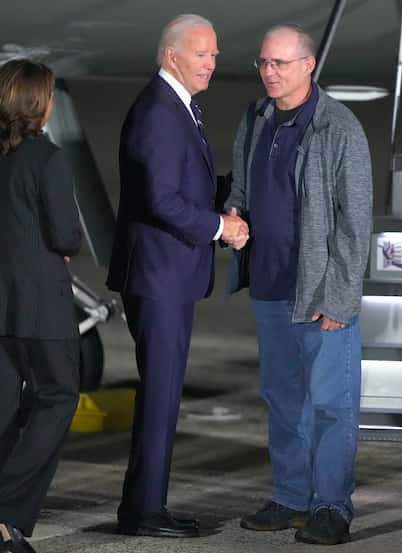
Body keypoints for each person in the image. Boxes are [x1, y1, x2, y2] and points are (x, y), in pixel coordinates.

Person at [225, 24, 372, 546]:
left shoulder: (339, 128)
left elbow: (355, 224)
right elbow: (242, 184)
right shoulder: (257, 117)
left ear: (308, 66)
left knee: (332, 404)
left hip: (318, 293)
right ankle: (291, 498)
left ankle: (331, 506)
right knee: (284, 400)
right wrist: (233, 214)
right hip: (269, 284)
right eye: (263, 63)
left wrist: (341, 298)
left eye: (280, 64)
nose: (269, 72)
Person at [106, 13, 249, 539]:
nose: (213, 63)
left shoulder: (176, 107)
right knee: (161, 396)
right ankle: (143, 512)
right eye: (202, 54)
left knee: (164, 395)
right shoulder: (159, 114)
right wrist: (221, 228)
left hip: (166, 274)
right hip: (159, 276)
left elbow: (183, 184)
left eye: (214, 54)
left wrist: (238, 192)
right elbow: (163, 201)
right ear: (172, 56)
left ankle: (147, 506)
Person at [0, 59, 82, 553]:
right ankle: (8, 513)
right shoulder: (47, 159)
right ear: (37, 104)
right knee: (58, 397)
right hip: (40, 305)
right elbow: (66, 234)